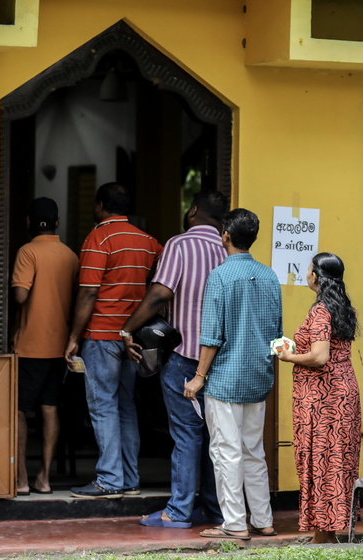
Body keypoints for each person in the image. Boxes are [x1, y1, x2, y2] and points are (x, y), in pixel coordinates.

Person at [120, 190, 228, 528]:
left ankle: (178, 511)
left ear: (193, 210)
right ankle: (213, 507)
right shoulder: (229, 251)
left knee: (186, 435)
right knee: (214, 437)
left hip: (185, 358)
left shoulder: (179, 245)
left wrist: (127, 330)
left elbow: (161, 293)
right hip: (221, 362)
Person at [184, 208, 282, 540]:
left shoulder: (220, 276)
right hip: (259, 376)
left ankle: (236, 524)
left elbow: (211, 336)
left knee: (226, 451)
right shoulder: (269, 276)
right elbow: (275, 331)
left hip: (226, 378)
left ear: (224, 234)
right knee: (254, 450)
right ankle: (263, 519)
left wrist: (199, 376)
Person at [65, 183, 162, 498]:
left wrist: (73, 337)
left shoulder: (99, 238)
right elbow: (162, 282)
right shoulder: (148, 242)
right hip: (131, 339)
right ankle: (129, 479)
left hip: (102, 336)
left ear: (100, 206)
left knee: (103, 406)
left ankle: (108, 479)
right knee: (125, 406)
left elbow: (89, 292)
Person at [277, 252, 361, 544]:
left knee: (320, 458)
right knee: (335, 460)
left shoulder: (320, 310)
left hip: (323, 398)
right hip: (341, 392)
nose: (306, 274)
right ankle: (326, 530)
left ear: (316, 276)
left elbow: (319, 356)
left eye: (309, 269)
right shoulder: (342, 308)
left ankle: (322, 534)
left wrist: (289, 356)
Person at [11, 197, 79, 495]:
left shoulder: (27, 252)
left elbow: (21, 298)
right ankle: (45, 478)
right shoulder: (70, 256)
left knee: (19, 411)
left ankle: (22, 478)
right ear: (57, 223)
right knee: (50, 410)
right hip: (60, 345)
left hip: (29, 346)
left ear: (28, 222)